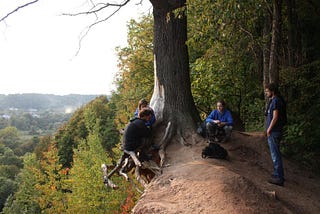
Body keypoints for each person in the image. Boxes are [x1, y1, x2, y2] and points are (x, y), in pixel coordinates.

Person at [265, 83, 287, 186]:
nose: (266, 93)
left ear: (272, 91)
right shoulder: (275, 101)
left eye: (267, 91)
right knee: (275, 153)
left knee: (275, 155)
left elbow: (275, 117)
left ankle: (279, 178)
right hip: (275, 131)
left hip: (274, 131)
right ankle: (276, 174)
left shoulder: (276, 101)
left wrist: (269, 129)